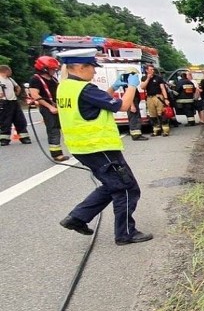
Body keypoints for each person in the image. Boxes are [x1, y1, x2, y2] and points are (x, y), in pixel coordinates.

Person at [55, 49, 153, 245]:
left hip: (83, 148)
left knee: (112, 184)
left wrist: (114, 86)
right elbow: (123, 106)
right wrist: (132, 87)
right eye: (92, 67)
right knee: (126, 187)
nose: (95, 72)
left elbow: (99, 102)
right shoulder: (84, 89)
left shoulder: (66, 87)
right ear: (81, 67)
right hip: (99, 147)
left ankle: (77, 218)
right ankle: (125, 234)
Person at [28, 56, 69, 160]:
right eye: (52, 68)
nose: (54, 70)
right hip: (47, 108)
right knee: (53, 129)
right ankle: (56, 154)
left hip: (58, 106)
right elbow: (34, 94)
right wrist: (50, 107)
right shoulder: (35, 79)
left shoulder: (53, 79)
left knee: (64, 127)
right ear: (44, 68)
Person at [0, 64, 32, 146]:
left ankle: (24, 137)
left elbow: (18, 87)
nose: (11, 72)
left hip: (14, 101)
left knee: (20, 120)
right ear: (6, 71)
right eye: (10, 70)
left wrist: (16, 94)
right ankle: (4, 139)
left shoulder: (10, 79)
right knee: (5, 121)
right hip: (4, 102)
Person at [140, 63, 170, 136]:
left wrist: (166, 98)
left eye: (153, 69)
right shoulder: (144, 78)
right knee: (152, 115)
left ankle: (165, 131)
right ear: (147, 70)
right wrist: (148, 78)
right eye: (151, 69)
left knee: (161, 114)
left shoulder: (158, 78)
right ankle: (156, 130)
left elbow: (162, 88)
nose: (152, 71)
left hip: (158, 97)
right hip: (150, 98)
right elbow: (142, 87)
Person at [121, 68, 149, 141]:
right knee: (134, 119)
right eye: (135, 74)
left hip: (134, 103)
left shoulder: (129, 83)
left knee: (136, 118)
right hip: (132, 104)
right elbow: (129, 96)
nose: (136, 76)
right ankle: (136, 135)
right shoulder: (127, 84)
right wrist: (132, 106)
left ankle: (137, 134)